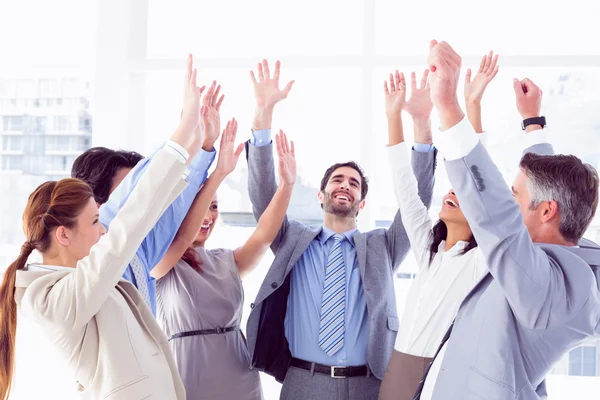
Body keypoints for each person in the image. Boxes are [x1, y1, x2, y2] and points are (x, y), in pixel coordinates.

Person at [0, 59, 208, 399]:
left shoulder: (76, 282)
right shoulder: (52, 299)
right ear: (63, 235)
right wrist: (183, 132)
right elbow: (130, 221)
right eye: (95, 222)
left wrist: (193, 142)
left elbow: (139, 219)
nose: (103, 230)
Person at [413, 40, 600, 400]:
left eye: (516, 195)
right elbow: (542, 189)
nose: (509, 201)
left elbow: (497, 215)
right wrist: (533, 123)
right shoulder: (560, 257)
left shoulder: (557, 290)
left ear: (547, 212)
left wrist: (449, 107)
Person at [243, 60, 436, 400]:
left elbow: (415, 204)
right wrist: (263, 116)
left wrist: (421, 126)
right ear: (321, 195)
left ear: (361, 203)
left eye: (354, 183)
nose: (345, 185)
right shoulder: (293, 240)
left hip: (369, 383)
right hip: (303, 380)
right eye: (337, 180)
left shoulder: (382, 246)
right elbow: (264, 203)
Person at [378, 53, 498, 400]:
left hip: (437, 377)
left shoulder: (480, 259)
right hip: (396, 371)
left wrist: (472, 103)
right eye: (450, 187)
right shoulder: (429, 251)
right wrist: (393, 117)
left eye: (460, 193)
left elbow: (479, 177)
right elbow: (405, 185)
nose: (451, 191)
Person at [152, 118, 296, 400]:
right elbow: (179, 241)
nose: (208, 217)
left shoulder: (226, 261)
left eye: (214, 207)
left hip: (240, 378)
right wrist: (216, 170)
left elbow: (265, 234)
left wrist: (287, 186)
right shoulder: (161, 261)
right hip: (189, 377)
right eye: (202, 205)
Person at [71, 60, 222, 315]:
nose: (146, 199)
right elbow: (154, 185)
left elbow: (171, 200)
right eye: (133, 192)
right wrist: (186, 129)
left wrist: (201, 143)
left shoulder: (140, 250)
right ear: (96, 206)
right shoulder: (90, 268)